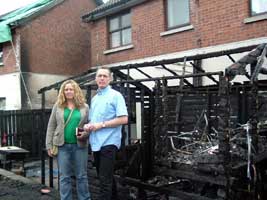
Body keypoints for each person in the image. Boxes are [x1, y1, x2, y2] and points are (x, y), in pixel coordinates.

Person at [84, 67, 128, 200]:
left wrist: (102, 125)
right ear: (96, 79)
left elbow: (124, 119)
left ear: (110, 79)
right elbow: (93, 121)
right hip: (96, 143)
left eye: (104, 76)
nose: (102, 78)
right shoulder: (95, 98)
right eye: (99, 76)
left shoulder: (116, 96)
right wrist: (88, 126)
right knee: (106, 177)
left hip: (109, 143)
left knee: (104, 180)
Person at [46, 79, 91, 200]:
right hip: (62, 146)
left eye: (71, 89)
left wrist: (86, 133)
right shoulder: (58, 106)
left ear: (76, 90)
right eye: (66, 89)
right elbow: (51, 126)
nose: (69, 91)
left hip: (80, 146)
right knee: (64, 176)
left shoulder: (84, 107)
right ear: (63, 92)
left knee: (81, 176)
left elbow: (89, 125)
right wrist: (49, 145)